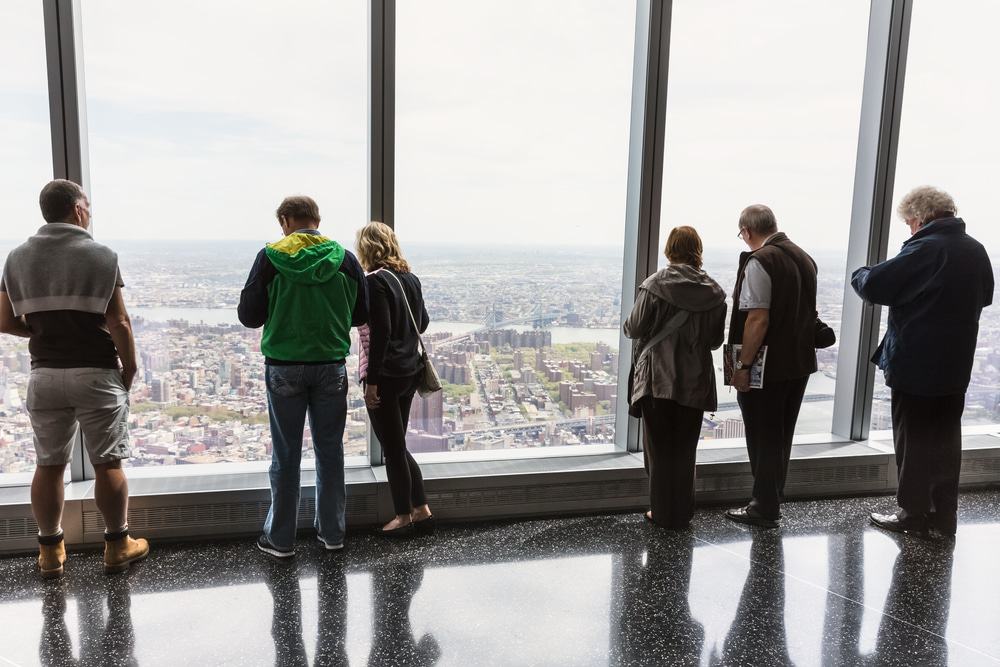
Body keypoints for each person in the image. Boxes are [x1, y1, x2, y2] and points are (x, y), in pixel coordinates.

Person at [0, 179, 148, 578]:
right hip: (96, 373)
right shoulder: (101, 255)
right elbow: (119, 321)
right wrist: (129, 367)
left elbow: (4, 321)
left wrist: (44, 333)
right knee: (108, 464)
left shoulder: (15, 258)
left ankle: (50, 552)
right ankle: (118, 545)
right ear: (78, 209)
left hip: (44, 374)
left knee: (48, 466)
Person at [852, 186, 992, 537]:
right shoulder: (976, 250)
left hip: (917, 364)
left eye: (908, 223)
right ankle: (944, 518)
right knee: (946, 444)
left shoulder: (926, 247)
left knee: (912, 442)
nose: (908, 229)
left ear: (919, 217)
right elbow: (985, 296)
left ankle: (911, 514)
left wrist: (861, 272)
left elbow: (875, 285)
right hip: (955, 366)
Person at [238, 196, 368, 557]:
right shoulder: (344, 259)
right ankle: (332, 534)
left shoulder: (270, 257)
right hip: (330, 365)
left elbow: (249, 315)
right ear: (317, 219)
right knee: (330, 451)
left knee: (286, 454)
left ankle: (280, 539)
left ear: (285, 220)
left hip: (283, 365)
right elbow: (361, 314)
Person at [623, 226, 726, 529]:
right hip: (695, 380)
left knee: (659, 450)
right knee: (685, 449)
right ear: (698, 250)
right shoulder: (715, 292)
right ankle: (682, 511)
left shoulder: (654, 285)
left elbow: (634, 328)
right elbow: (715, 341)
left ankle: (663, 512)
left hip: (658, 379)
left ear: (669, 250)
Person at [726, 204, 818, 528]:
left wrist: (742, 365)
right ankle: (772, 496)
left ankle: (763, 506)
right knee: (781, 434)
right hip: (799, 362)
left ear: (747, 232)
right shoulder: (805, 258)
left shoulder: (760, 260)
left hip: (768, 366)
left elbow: (757, 318)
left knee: (763, 434)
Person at [355, 222, 433, 537]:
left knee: (392, 447)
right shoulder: (410, 279)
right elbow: (423, 322)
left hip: (386, 375)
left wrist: (371, 382)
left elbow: (381, 333)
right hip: (409, 371)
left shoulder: (374, 281)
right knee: (397, 444)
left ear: (367, 248)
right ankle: (421, 508)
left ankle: (403, 515)